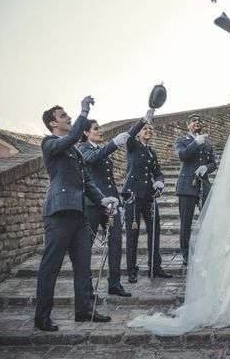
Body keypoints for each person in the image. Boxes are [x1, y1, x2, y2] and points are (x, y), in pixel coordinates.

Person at [128, 118, 230, 334]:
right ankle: (190, 257)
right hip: (193, 189)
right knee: (193, 228)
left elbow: (215, 164)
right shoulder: (195, 144)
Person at [34, 96, 112, 331]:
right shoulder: (50, 143)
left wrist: (103, 200)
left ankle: (84, 310)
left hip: (79, 214)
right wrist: (83, 112)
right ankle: (42, 317)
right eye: (63, 115)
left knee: (83, 264)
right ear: (52, 124)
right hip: (58, 213)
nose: (68, 117)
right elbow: (72, 137)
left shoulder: (75, 152)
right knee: (51, 266)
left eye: (69, 114)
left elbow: (86, 181)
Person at [77, 109, 153, 297]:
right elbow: (93, 158)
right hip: (93, 205)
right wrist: (113, 143)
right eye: (96, 129)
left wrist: (143, 120)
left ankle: (115, 283)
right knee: (86, 246)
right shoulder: (83, 149)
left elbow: (126, 136)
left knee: (116, 242)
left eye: (101, 129)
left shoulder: (100, 149)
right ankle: (87, 288)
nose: (101, 131)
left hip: (111, 207)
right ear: (86, 133)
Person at [122, 122, 171, 283]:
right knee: (132, 234)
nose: (148, 130)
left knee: (154, 232)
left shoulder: (152, 152)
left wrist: (160, 182)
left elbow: (158, 173)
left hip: (149, 196)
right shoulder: (133, 145)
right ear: (139, 133)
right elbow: (129, 134)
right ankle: (131, 270)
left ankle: (155, 266)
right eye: (145, 129)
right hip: (133, 196)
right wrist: (143, 120)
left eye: (151, 128)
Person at [174, 114, 217, 266]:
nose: (197, 122)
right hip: (187, 187)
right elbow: (182, 156)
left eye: (199, 120)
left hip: (203, 186)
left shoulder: (207, 145)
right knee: (186, 223)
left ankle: (207, 250)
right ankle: (186, 254)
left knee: (209, 220)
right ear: (188, 126)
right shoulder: (181, 141)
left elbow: (213, 163)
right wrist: (195, 143)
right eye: (194, 121)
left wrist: (207, 167)